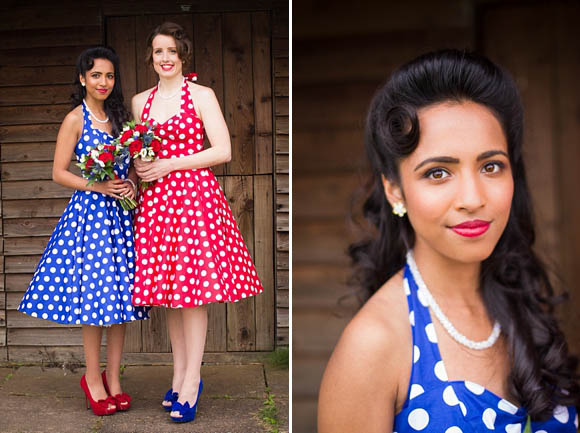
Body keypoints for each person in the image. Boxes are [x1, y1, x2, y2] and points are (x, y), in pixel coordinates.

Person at [318, 50, 579, 432]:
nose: (473, 198)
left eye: (491, 166)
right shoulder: (373, 346)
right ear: (394, 190)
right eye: (438, 172)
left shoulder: (521, 299)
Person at [130, 22, 264, 423]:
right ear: (151, 58)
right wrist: (137, 169)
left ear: (182, 54)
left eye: (171, 51)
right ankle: (178, 376)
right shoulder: (141, 102)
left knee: (192, 294)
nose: (165, 58)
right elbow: (140, 152)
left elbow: (222, 150)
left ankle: (193, 380)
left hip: (192, 199)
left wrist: (170, 163)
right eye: (158, 52)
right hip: (156, 204)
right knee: (171, 294)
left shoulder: (202, 95)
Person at [18, 46, 149, 416]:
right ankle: (92, 378)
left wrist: (131, 185)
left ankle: (114, 379)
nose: (103, 82)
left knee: (123, 302)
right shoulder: (75, 119)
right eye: (95, 75)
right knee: (96, 304)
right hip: (91, 220)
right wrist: (99, 186)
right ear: (82, 79)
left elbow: (134, 166)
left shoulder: (122, 118)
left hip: (122, 221)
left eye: (109, 76)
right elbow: (58, 172)